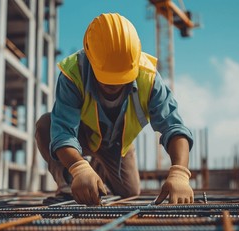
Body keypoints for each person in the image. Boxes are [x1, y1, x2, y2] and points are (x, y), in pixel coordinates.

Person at [35, 13, 194, 206]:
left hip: (116, 144)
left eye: (121, 78)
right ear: (90, 57)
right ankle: (68, 184)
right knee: (45, 126)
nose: (114, 85)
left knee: (130, 192)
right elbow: (62, 133)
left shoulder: (149, 78)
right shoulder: (73, 74)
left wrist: (179, 172)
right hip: (82, 136)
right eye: (107, 78)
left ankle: (97, 169)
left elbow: (174, 127)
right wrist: (78, 168)